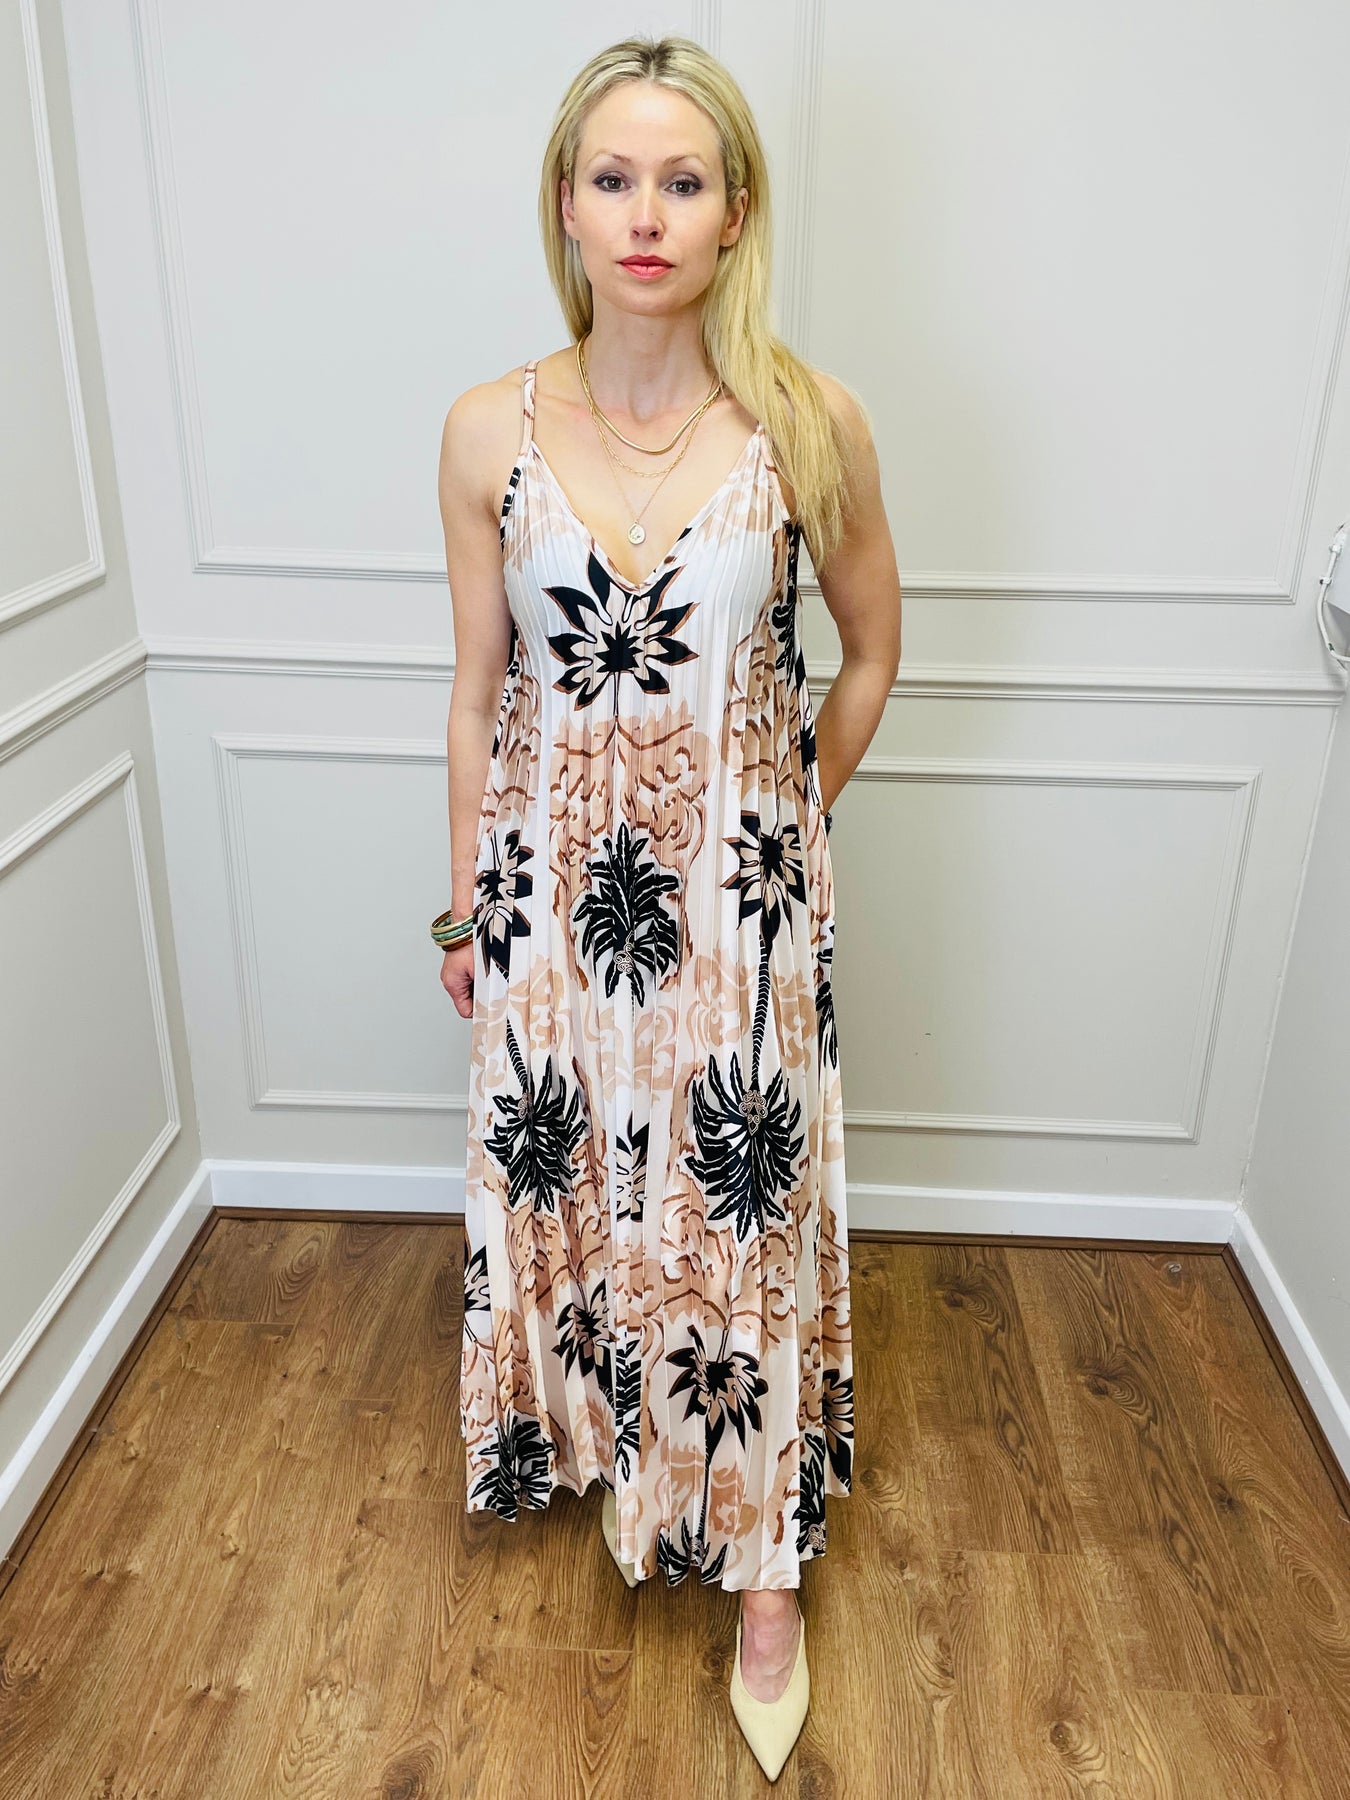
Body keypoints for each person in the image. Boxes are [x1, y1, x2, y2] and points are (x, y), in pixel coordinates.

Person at [434, 34, 901, 1783]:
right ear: (565, 205)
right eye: (613, 178)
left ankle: (764, 1569)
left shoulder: (807, 421)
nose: (646, 213)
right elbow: (477, 689)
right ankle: (615, 1457)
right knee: (577, 1187)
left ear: (734, 211)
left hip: (739, 924)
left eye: (682, 181)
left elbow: (874, 653)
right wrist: (464, 905)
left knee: (740, 1217)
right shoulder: (489, 428)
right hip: (549, 911)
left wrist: (780, 829)